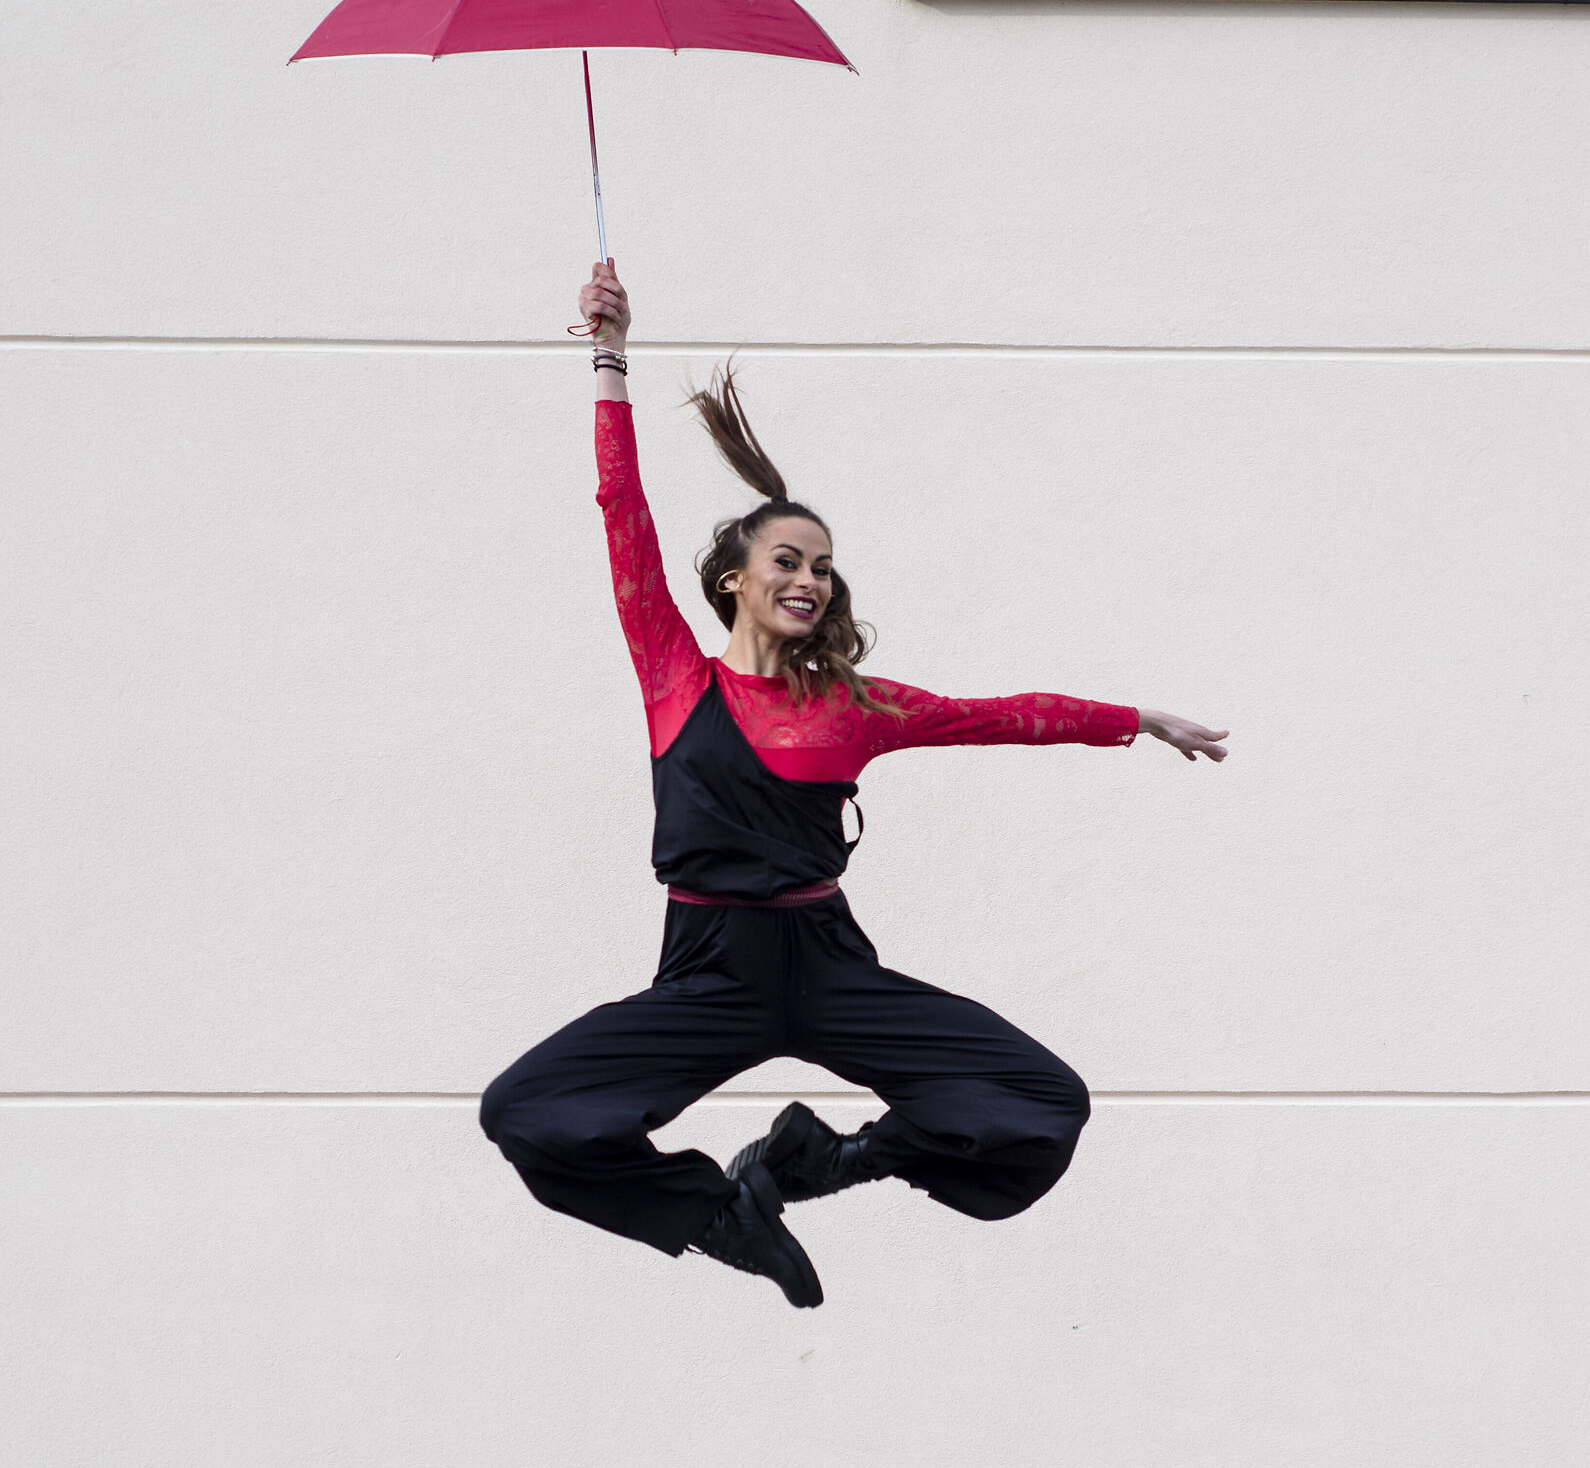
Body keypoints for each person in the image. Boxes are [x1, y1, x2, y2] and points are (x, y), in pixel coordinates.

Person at [481, 263, 1226, 1309]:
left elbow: (1001, 715)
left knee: (1042, 1108)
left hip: (828, 961)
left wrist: (1136, 721)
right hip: (708, 970)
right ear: (735, 577)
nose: (810, 579)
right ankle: (717, 1217)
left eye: (823, 567)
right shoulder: (673, 673)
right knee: (528, 1113)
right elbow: (623, 513)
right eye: (788, 559)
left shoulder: (855, 705)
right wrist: (609, 356)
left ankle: (826, 1162)